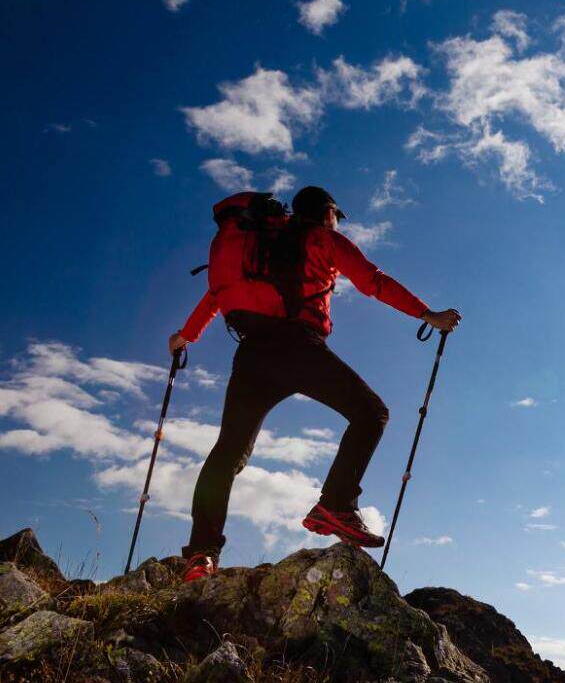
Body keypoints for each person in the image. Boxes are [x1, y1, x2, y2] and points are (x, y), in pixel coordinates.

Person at [170, 186, 461, 582]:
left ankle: (201, 553)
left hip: (253, 353)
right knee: (370, 413)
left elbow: (216, 296)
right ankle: (336, 504)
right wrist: (427, 314)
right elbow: (372, 281)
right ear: (326, 214)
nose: (337, 222)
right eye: (336, 216)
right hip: (298, 347)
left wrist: (185, 337)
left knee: (228, 452)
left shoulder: (257, 246)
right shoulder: (323, 240)